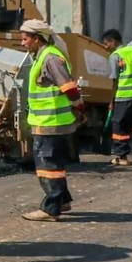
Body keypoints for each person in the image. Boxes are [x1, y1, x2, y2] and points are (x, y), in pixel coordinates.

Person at [19, 19, 86, 221]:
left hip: (51, 122)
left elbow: (69, 87)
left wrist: (79, 107)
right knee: (53, 163)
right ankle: (62, 200)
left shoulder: (50, 58)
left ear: (37, 39)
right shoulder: (43, 56)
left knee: (48, 166)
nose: (22, 43)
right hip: (47, 121)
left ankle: (50, 209)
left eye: (25, 39)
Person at [101, 29, 132, 166]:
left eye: (106, 44)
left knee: (119, 124)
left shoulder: (115, 56)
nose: (105, 47)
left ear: (113, 42)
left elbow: (114, 81)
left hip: (125, 95)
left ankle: (122, 157)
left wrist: (111, 101)